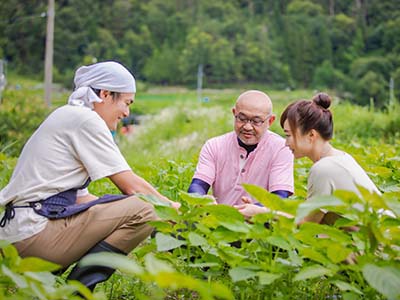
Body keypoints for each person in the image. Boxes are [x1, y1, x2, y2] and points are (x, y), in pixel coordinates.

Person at [0, 61, 180, 290]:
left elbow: (81, 199)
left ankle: (65, 289)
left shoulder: (70, 116)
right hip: (32, 234)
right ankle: (79, 293)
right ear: (105, 94)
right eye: (126, 103)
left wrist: (119, 213)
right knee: (147, 208)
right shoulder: (86, 120)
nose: (127, 112)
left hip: (17, 236)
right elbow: (131, 187)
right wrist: (175, 209)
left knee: (133, 208)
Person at [234, 92, 380, 224]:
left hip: (377, 248)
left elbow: (306, 224)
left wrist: (261, 213)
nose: (286, 143)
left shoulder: (324, 168)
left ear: (311, 135)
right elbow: (311, 214)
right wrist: (257, 208)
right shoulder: (339, 158)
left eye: (288, 135)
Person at [188, 90, 294, 207]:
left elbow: (280, 196)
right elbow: (198, 185)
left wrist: (255, 209)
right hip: (219, 219)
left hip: (261, 221)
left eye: (256, 121)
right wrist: (202, 200)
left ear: (270, 121)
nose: (248, 127)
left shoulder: (281, 148)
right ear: (234, 113)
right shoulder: (214, 146)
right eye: (242, 119)